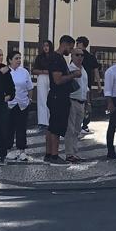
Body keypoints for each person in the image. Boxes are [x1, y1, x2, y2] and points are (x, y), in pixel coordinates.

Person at [43, 36, 75, 164]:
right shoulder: (57, 59)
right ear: (65, 44)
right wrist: (73, 75)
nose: (70, 51)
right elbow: (57, 80)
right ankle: (54, 155)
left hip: (57, 96)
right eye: (70, 48)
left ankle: (48, 154)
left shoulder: (57, 58)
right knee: (56, 127)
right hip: (58, 97)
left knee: (52, 126)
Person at [63, 44, 90, 163]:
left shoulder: (84, 70)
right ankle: (69, 153)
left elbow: (86, 88)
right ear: (72, 56)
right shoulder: (69, 69)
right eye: (77, 55)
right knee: (70, 128)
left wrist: (88, 103)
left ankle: (74, 152)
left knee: (78, 129)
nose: (80, 57)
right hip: (72, 101)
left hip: (82, 102)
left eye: (82, 55)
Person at [6, 49, 33, 162]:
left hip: (23, 103)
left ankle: (22, 150)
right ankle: (8, 149)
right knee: (9, 127)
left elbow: (30, 87)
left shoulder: (24, 72)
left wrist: (29, 99)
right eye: (16, 58)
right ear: (10, 60)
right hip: (10, 104)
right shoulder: (6, 72)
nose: (18, 60)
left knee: (22, 128)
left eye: (19, 58)